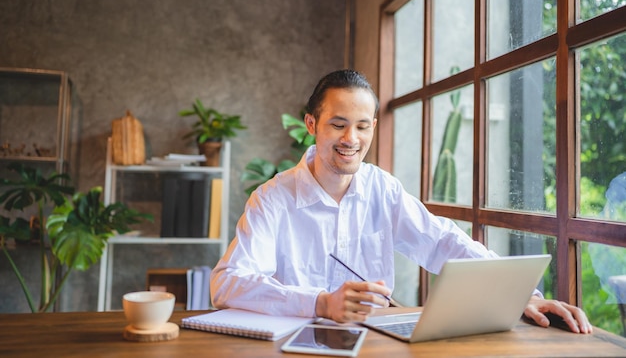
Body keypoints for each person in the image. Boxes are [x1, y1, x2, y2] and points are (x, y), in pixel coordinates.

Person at [210, 69, 592, 334]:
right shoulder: (273, 198)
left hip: (376, 342)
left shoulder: (383, 189)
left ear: (373, 126)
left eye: (362, 126)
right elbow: (227, 284)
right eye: (338, 124)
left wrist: (520, 295)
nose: (351, 139)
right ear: (312, 125)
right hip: (295, 345)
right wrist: (321, 303)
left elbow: (443, 242)